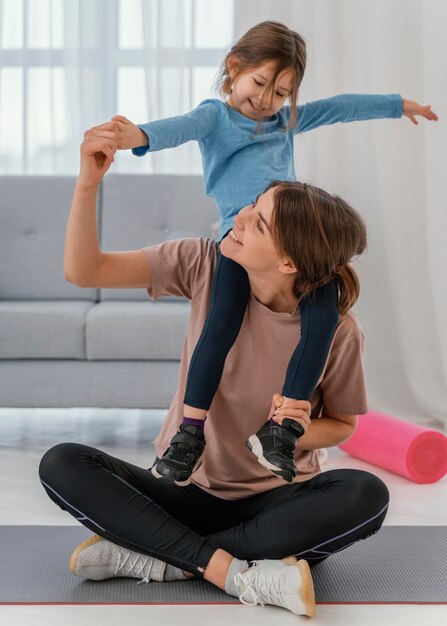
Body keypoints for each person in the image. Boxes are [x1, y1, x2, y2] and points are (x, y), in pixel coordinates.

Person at [40, 122, 390, 617]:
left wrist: (295, 433)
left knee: (368, 494)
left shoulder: (340, 330)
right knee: (61, 462)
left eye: (259, 223)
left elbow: (343, 426)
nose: (240, 218)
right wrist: (87, 183)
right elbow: (85, 270)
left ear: (289, 262)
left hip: (275, 502)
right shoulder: (201, 263)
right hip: (184, 489)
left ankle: (162, 553)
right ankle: (233, 569)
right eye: (252, 206)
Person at [112, 20, 438, 487]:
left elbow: (341, 107)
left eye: (281, 92)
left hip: (292, 250)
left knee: (323, 321)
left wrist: (397, 105)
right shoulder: (215, 117)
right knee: (220, 325)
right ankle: (189, 433)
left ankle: (281, 429)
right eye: (260, 83)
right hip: (240, 246)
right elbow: (177, 129)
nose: (266, 99)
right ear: (234, 69)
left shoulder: (285, 121)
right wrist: (136, 135)